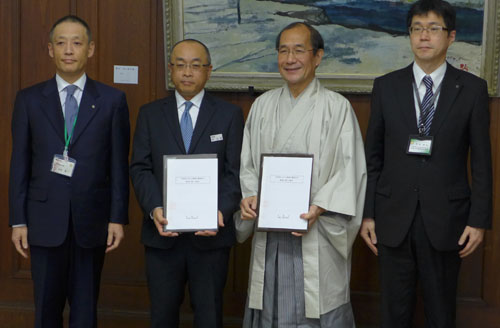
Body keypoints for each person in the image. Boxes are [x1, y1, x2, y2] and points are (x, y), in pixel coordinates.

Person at [360, 0, 492, 326]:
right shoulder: (386, 87)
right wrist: (368, 213)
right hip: (392, 218)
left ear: (451, 37)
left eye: (434, 29)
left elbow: (482, 162)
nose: (424, 37)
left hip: (447, 219)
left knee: (441, 312)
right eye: (417, 29)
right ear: (409, 36)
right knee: (394, 313)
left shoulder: (472, 90)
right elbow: (372, 157)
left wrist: (479, 221)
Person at [236, 22, 366, 327]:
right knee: (270, 303)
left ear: (317, 57)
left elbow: (350, 170)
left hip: (317, 230)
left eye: (298, 50)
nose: (290, 58)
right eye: (283, 50)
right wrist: (250, 196)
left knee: (317, 301)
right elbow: (247, 166)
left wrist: (320, 205)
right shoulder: (263, 106)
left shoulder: (337, 108)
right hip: (270, 233)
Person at [9, 15, 130, 328]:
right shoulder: (29, 100)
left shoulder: (112, 101)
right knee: (46, 311)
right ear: (50, 50)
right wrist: (18, 220)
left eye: (77, 43)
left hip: (92, 221)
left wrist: (117, 217)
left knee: (85, 311)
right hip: (43, 220)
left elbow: (118, 164)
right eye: (61, 43)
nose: (68, 50)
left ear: (91, 49)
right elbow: (19, 163)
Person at [129, 39, 244, 328]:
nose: (187, 72)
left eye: (195, 65)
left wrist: (221, 210)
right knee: (162, 316)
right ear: (170, 70)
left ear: (209, 71)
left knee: (209, 316)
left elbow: (235, 171)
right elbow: (140, 168)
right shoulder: (150, 114)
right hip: (162, 235)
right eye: (180, 65)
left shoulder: (229, 115)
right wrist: (154, 207)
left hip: (211, 237)